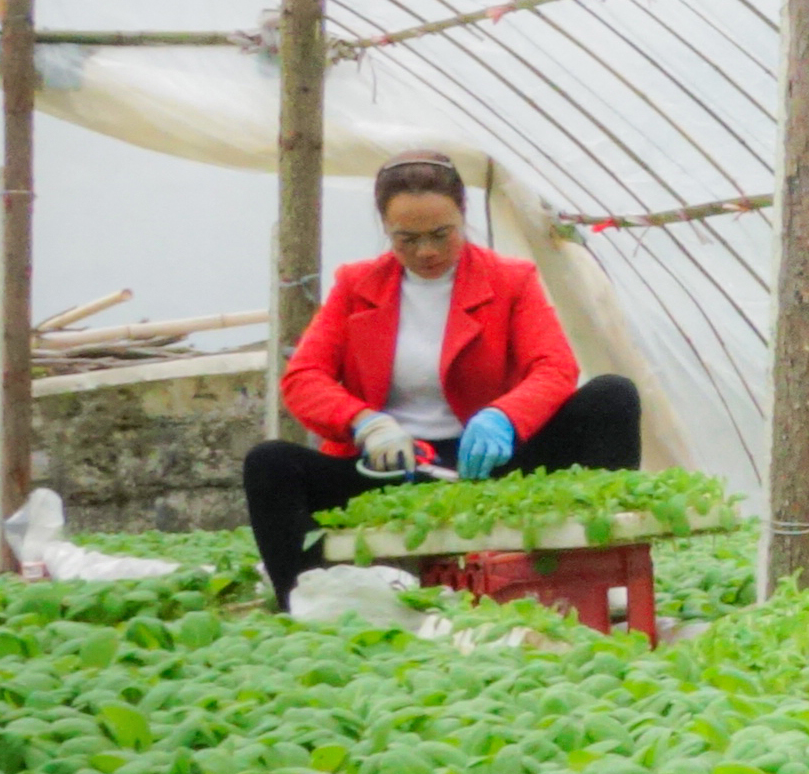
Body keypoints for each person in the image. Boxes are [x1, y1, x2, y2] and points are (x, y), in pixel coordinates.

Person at [243, 155, 642, 595]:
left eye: (441, 234)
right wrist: (367, 424)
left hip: (490, 465)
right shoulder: (356, 286)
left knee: (612, 397)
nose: (426, 251)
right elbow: (304, 377)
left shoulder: (510, 280)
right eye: (406, 239)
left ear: (462, 217)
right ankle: (309, 598)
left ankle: (602, 573)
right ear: (386, 231)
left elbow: (554, 366)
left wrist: (505, 418)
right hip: (392, 470)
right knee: (270, 463)